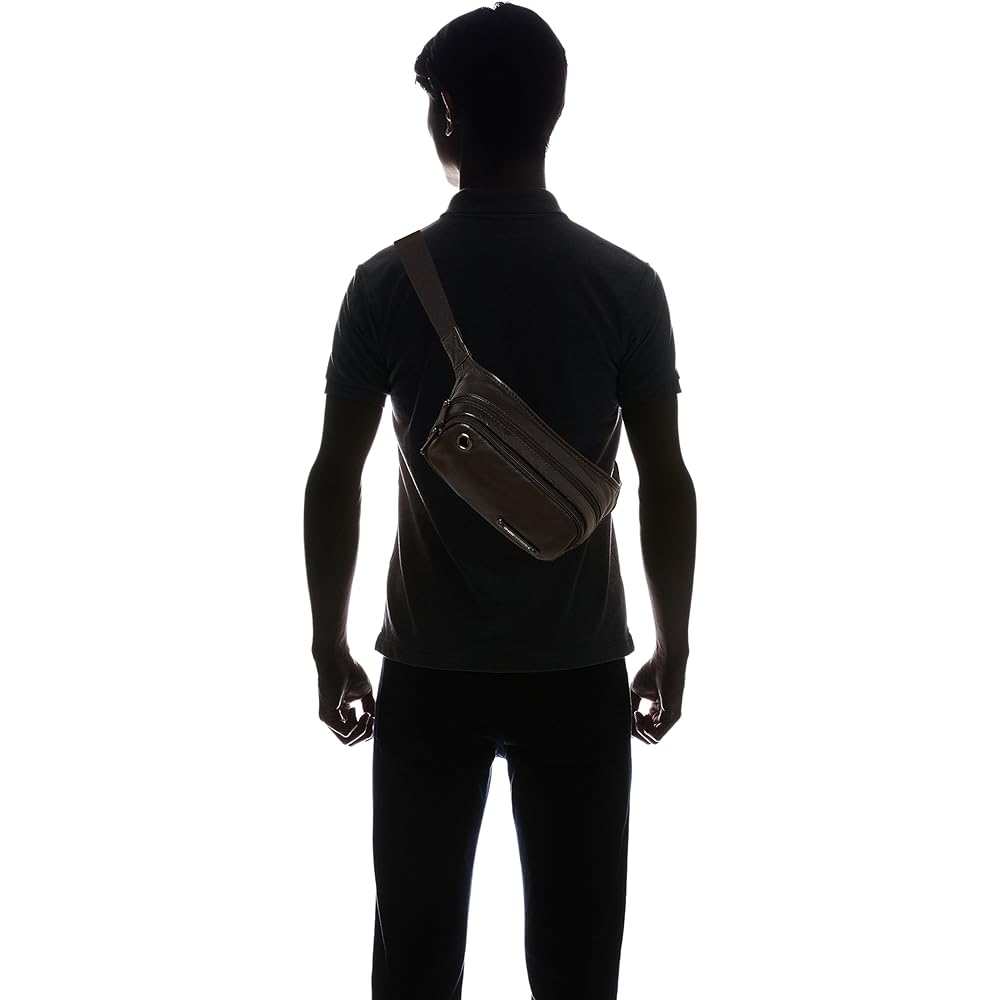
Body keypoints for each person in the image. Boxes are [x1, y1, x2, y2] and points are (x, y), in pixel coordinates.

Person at [302, 4, 697, 997]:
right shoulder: (626, 284)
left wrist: (328, 642)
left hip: (428, 666)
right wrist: (674, 642)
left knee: (413, 959)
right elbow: (666, 476)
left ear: (446, 112)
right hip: (580, 665)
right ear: (554, 111)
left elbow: (335, 473)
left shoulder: (384, 285)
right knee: (577, 965)